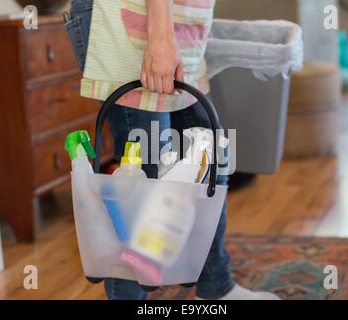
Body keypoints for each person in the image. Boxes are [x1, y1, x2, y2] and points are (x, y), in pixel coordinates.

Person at [66, 0, 280, 300]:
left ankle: (215, 288)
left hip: (178, 26)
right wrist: (161, 37)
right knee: (142, 182)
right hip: (137, 21)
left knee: (210, 160)